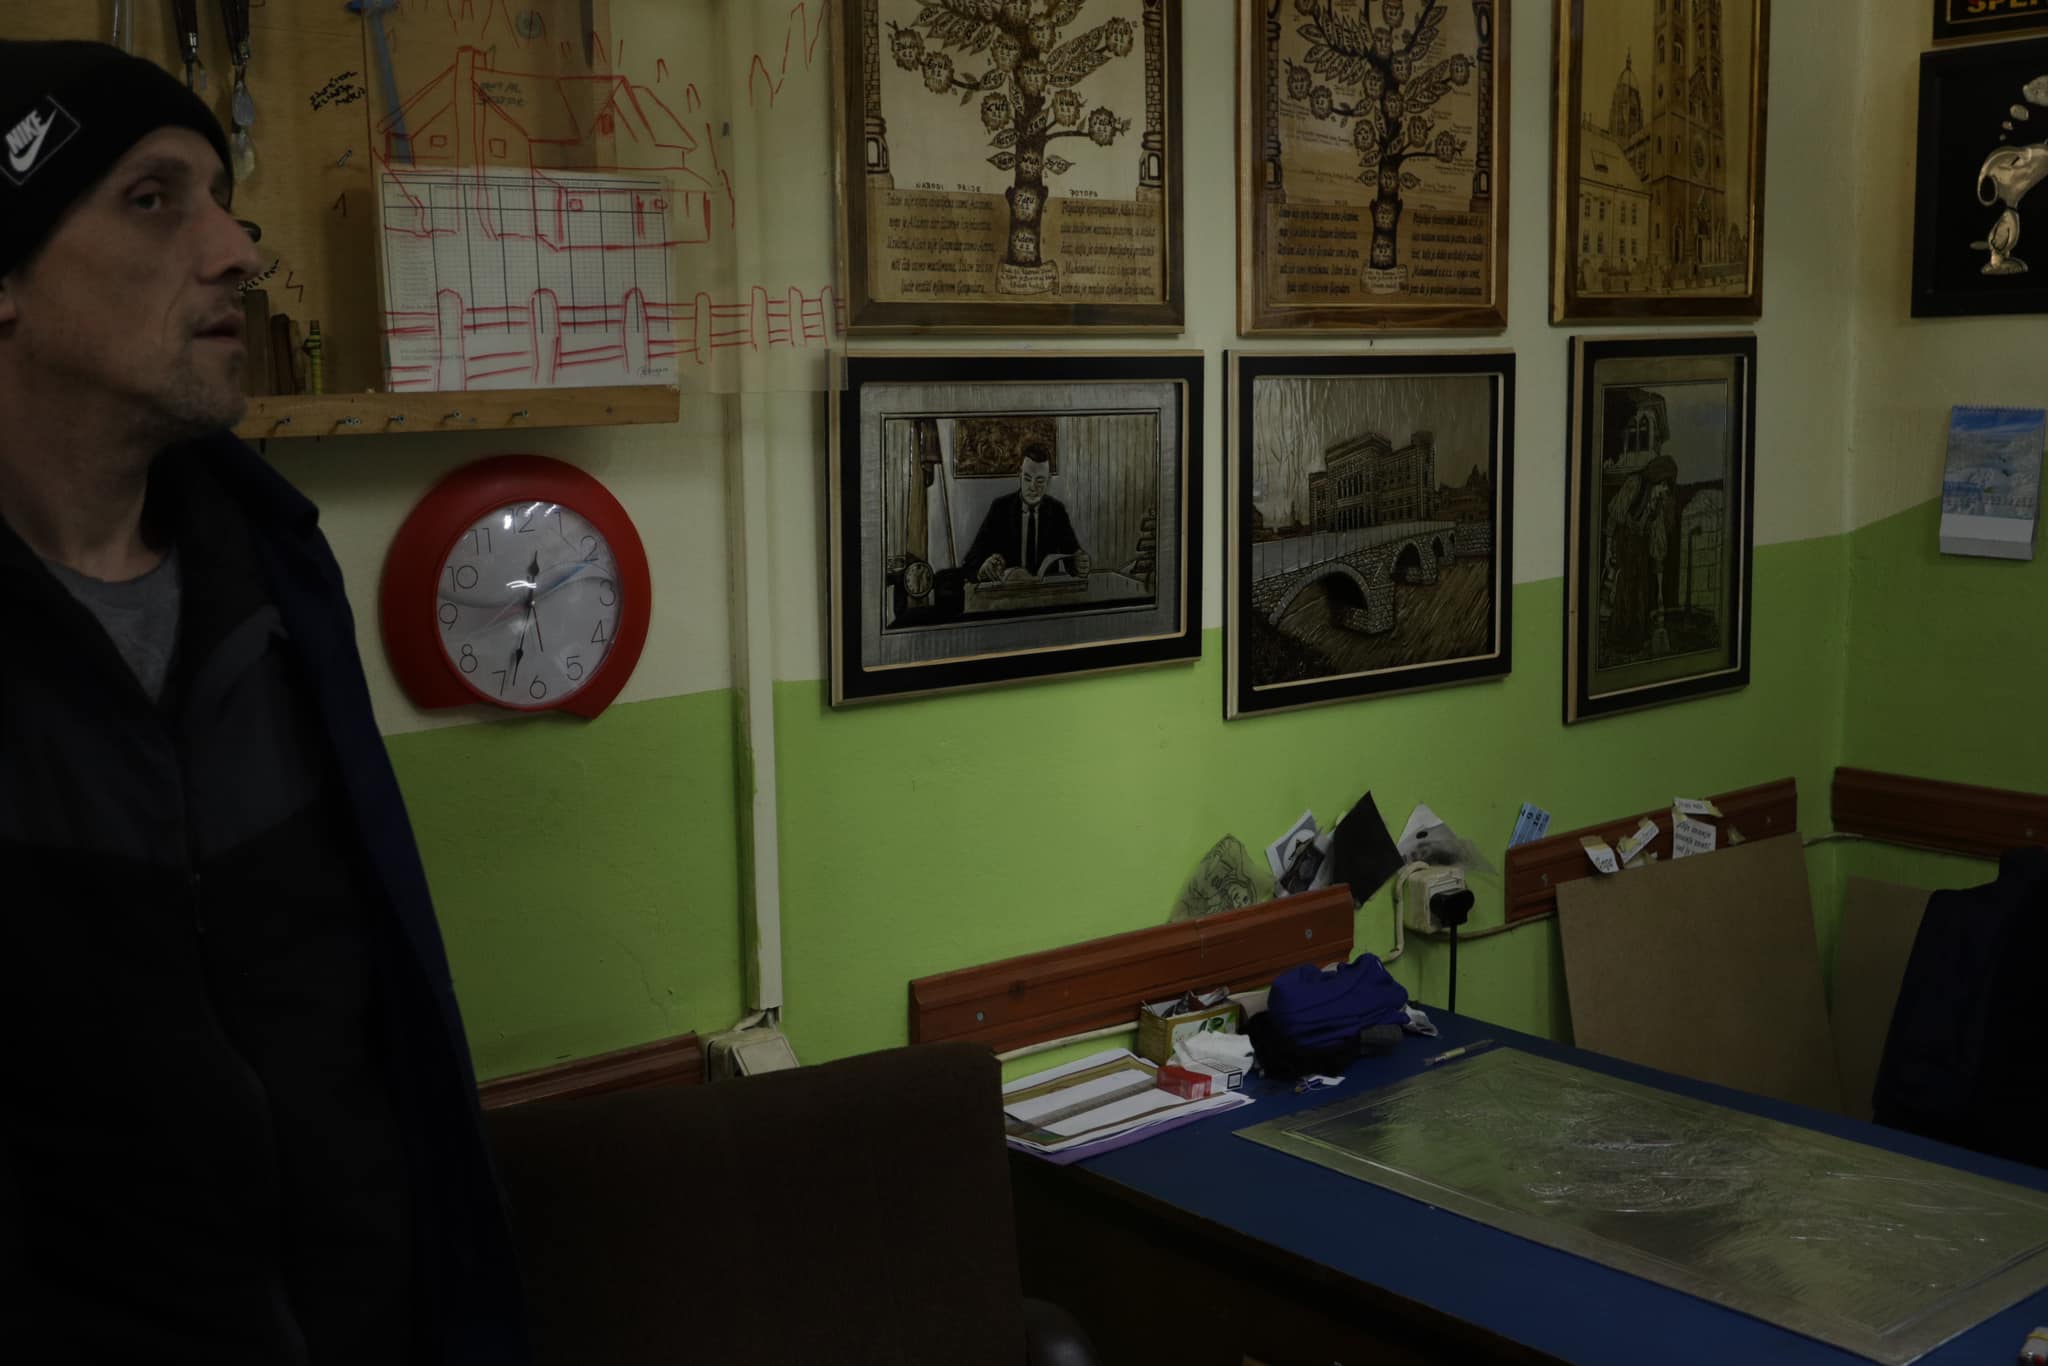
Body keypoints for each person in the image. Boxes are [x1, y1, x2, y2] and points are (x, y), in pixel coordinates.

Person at [0, 41, 529, 1364]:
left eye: (225, 202)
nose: (238, 250)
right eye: (151, 199)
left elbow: (369, 1036)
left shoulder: (276, 586)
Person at [962, 442, 1090, 583]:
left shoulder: (1056, 511)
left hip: (1046, 593)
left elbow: (1072, 559)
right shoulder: (1000, 509)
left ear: (1048, 481)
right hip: (1008, 593)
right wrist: (982, 570)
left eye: (1040, 481)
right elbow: (970, 563)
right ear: (1020, 474)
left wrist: (1080, 565)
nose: (1032, 487)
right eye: (1027, 478)